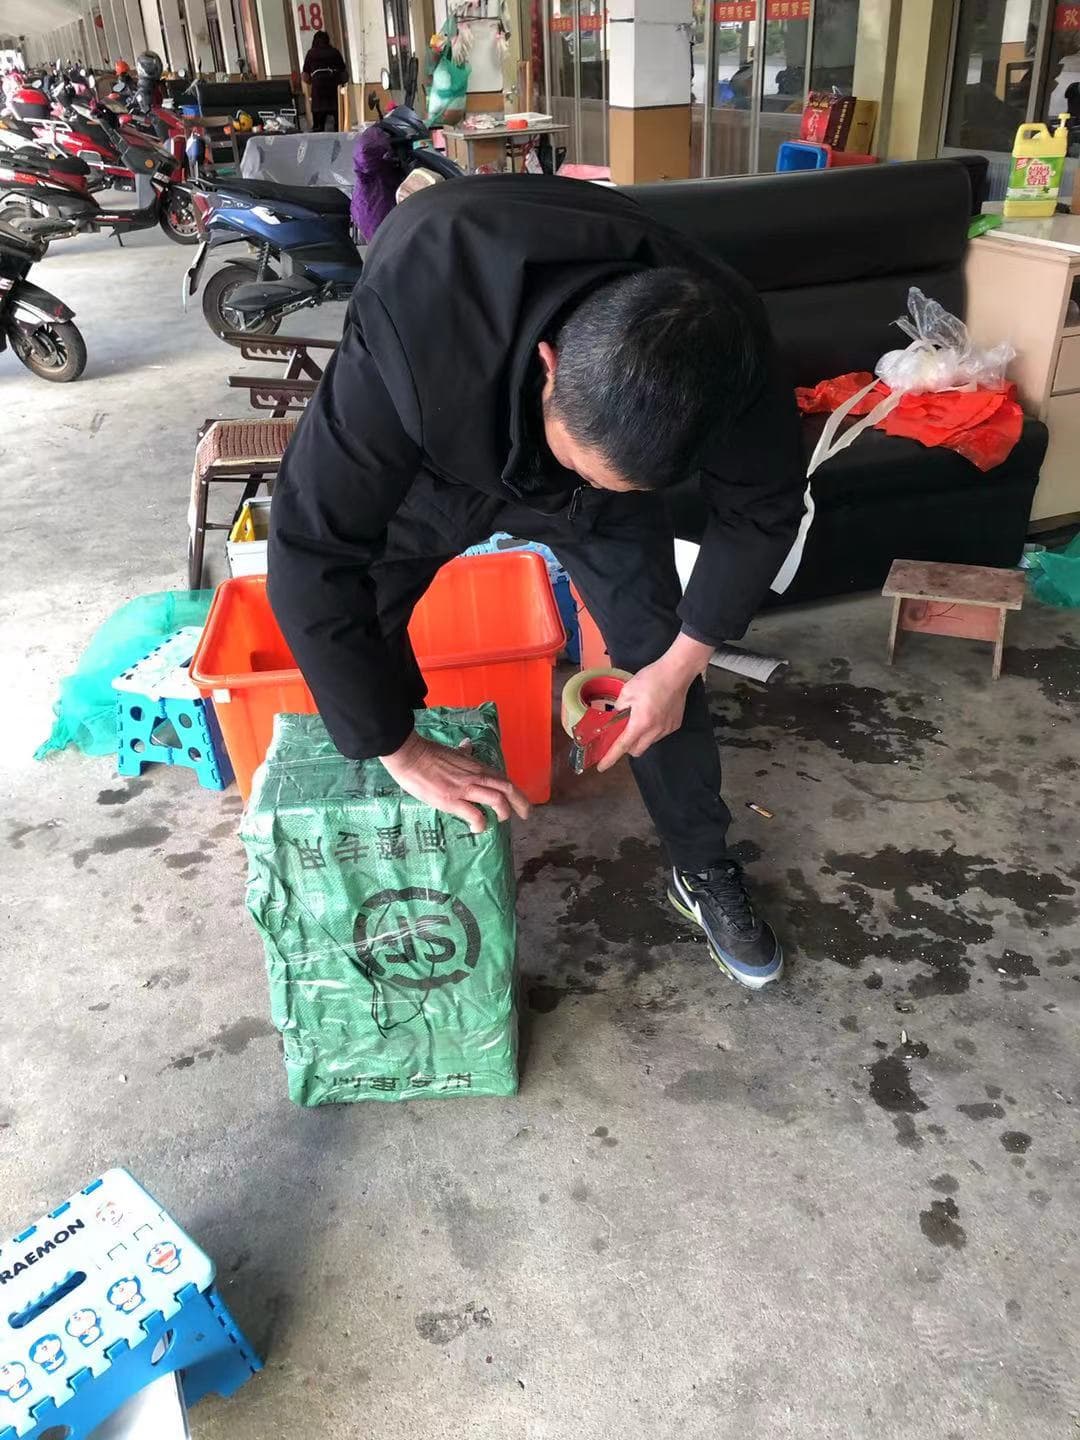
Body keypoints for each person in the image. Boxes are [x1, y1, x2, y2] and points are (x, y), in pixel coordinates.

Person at [269, 175, 805, 990]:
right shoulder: (419, 305)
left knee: (656, 661)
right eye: (586, 460)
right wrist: (396, 745)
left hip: (602, 498)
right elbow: (312, 546)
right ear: (551, 367)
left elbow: (762, 513)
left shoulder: (730, 352)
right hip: (447, 453)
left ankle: (703, 866)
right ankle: (397, 796)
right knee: (363, 608)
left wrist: (679, 665)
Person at [302, 29, 347, 132]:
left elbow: (305, 75)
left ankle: (320, 138)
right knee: (338, 123)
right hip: (333, 88)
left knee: (318, 125)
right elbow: (343, 73)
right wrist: (341, 85)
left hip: (318, 90)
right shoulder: (335, 52)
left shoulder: (311, 53)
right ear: (328, 40)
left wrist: (312, 82)